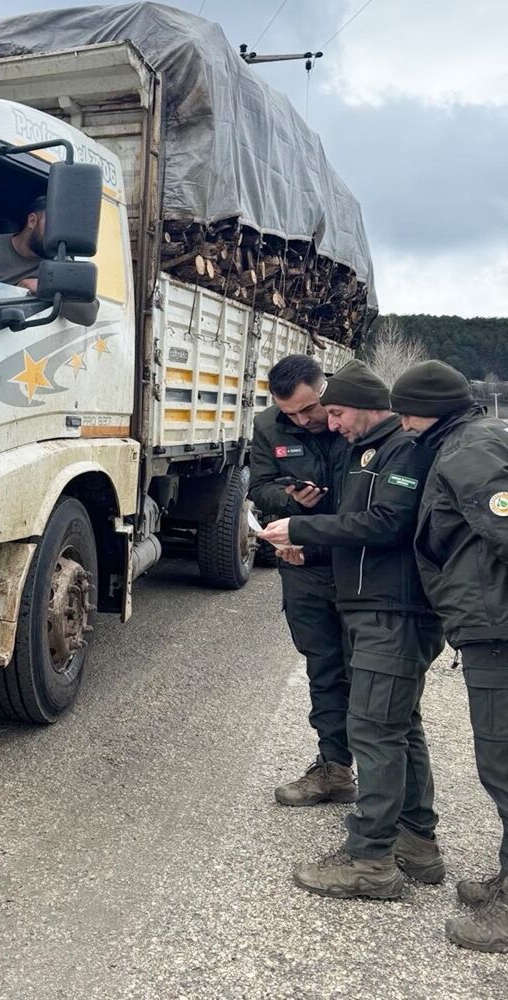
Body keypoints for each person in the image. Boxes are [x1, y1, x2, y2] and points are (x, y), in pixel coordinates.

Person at [261, 360, 446, 899]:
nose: (331, 423)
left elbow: (386, 524)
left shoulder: (401, 450)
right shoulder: (373, 449)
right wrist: (303, 536)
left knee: (374, 729)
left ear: (367, 405)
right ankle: (417, 843)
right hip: (373, 603)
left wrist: (302, 525)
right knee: (399, 724)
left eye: (335, 412)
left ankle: (370, 859)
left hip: (393, 610)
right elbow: (356, 523)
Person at [390, 359, 508, 952]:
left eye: (405, 411)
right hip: (489, 624)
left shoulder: (466, 453)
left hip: (499, 629)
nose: (401, 424)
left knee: (503, 765)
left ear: (428, 410)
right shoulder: (470, 438)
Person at [248, 355, 355, 806]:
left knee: (373, 674)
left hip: (358, 565)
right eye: (289, 412)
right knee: (325, 669)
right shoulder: (268, 426)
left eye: (309, 409)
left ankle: (395, 789)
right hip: (304, 565)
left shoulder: (350, 419)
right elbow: (258, 487)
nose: (302, 420)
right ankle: (334, 769)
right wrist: (289, 497)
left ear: (324, 388)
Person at [0, 196, 98, 326]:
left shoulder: (61, 262)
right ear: (32, 221)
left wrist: (44, 286)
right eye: (55, 227)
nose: (58, 237)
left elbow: (89, 315)